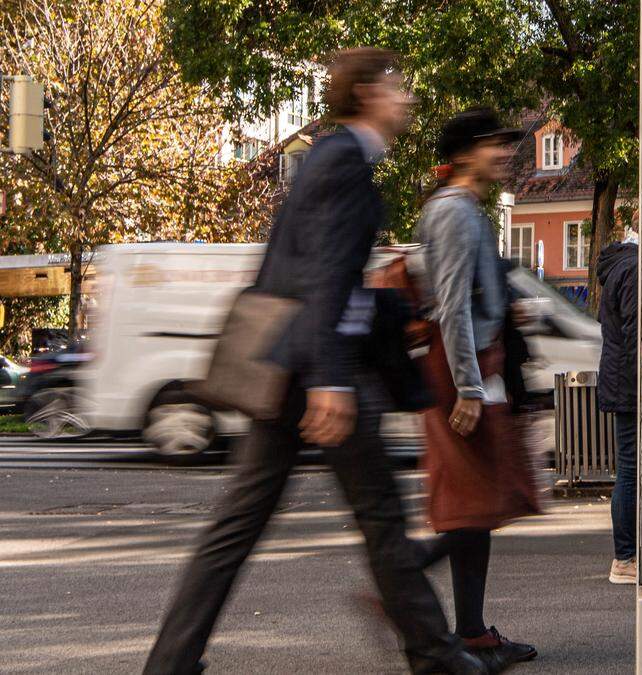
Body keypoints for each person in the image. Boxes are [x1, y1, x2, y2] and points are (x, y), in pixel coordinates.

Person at [143, 49, 485, 675]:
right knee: (380, 522)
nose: (406, 96)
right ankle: (438, 658)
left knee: (240, 526)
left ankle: (170, 663)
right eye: (398, 86)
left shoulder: (335, 158)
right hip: (320, 373)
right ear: (369, 93)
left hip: (292, 369)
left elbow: (313, 274)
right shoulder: (343, 161)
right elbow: (322, 277)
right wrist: (330, 378)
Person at [416, 107, 540, 672]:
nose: (506, 153)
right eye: (496, 144)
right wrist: (468, 386)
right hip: (460, 374)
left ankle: (472, 633)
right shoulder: (455, 214)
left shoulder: (466, 211)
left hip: (473, 372)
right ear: (466, 153)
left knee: (478, 507)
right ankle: (404, 570)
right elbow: (451, 308)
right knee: (473, 505)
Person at [596, 221, 639, 584]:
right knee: (629, 467)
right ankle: (624, 558)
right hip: (628, 379)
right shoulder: (635, 268)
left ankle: (628, 554)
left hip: (616, 375)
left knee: (628, 465)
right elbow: (634, 329)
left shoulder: (616, 267)